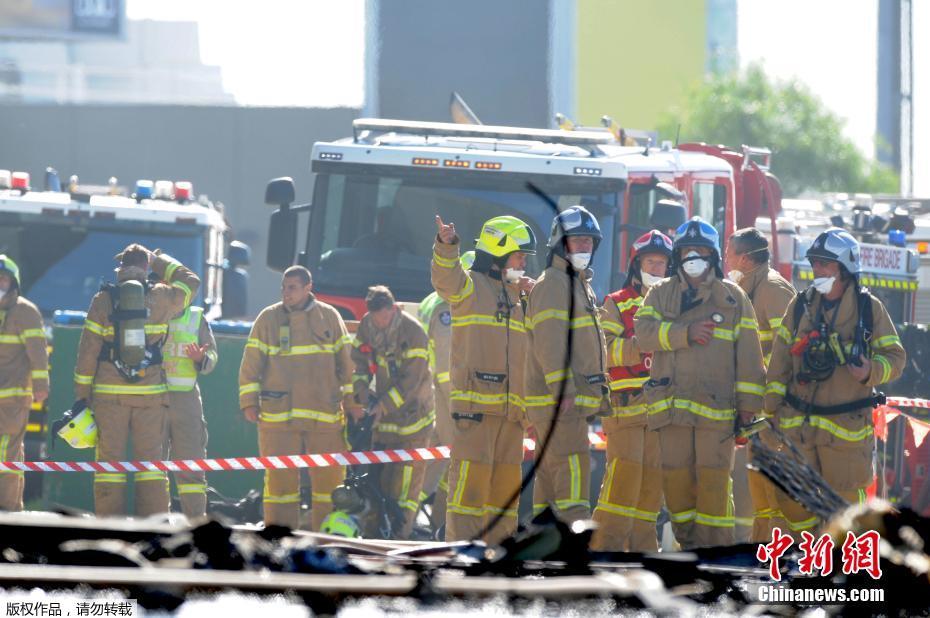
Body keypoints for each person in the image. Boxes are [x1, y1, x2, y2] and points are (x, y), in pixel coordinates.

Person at [634, 217, 765, 549]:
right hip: (671, 415)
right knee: (677, 491)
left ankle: (715, 557)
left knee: (713, 491)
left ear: (713, 256)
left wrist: (748, 410)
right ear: (678, 255)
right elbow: (643, 335)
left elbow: (750, 359)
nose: (693, 257)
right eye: (687, 251)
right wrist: (684, 334)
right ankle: (690, 548)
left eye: (700, 251)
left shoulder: (733, 298)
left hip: (715, 416)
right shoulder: (660, 294)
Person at [765, 228, 905, 536]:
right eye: (814, 263)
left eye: (825, 264)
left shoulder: (869, 310)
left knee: (845, 508)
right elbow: (779, 364)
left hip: (846, 431)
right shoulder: (800, 306)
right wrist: (771, 411)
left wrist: (870, 370)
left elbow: (896, 358)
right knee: (789, 496)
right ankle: (812, 545)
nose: (817, 270)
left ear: (844, 268)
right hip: (799, 424)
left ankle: (840, 558)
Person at [431, 214, 536, 543]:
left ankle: (499, 558)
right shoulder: (470, 286)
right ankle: (463, 557)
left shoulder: (520, 297)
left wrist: (536, 296)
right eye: (518, 257)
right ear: (498, 253)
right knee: (469, 497)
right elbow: (446, 280)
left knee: (504, 502)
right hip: (475, 413)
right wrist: (447, 247)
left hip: (512, 418)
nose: (523, 264)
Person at [74, 244, 200, 516]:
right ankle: (153, 526)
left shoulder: (102, 300)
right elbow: (191, 281)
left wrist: (82, 396)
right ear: (145, 268)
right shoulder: (163, 297)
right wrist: (159, 261)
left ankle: (109, 527)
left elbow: (87, 353)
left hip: (109, 397)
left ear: (120, 269)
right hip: (150, 397)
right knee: (151, 467)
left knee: (110, 467)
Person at [238, 265, 352, 530]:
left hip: (324, 416)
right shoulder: (268, 318)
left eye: (292, 287)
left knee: (330, 483)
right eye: (283, 287)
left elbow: (347, 365)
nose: (286, 293)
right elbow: (250, 365)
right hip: (278, 417)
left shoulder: (329, 317)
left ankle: (328, 538)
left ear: (308, 288)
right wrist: (249, 402)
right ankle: (278, 538)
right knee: (280, 485)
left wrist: (352, 404)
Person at [524, 205, 609, 525]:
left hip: (562, 403)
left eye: (589, 242)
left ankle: (544, 543)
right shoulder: (554, 284)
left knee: (550, 479)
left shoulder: (574, 284)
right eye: (577, 241)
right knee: (572, 473)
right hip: (560, 403)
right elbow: (550, 342)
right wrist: (565, 390)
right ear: (561, 244)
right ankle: (573, 538)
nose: (585, 247)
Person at [592, 230, 673, 551]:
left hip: (660, 413)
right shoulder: (617, 302)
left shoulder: (674, 306)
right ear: (637, 265)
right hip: (626, 409)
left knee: (651, 490)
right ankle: (603, 549)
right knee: (622, 484)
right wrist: (641, 344)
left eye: (661, 263)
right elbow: (604, 350)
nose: (656, 269)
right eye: (650, 262)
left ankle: (643, 552)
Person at [724, 228, 796, 542]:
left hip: (776, 409)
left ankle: (783, 555)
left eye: (729, 252)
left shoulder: (773, 289)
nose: (726, 258)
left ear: (745, 258)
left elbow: (791, 352)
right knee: (760, 492)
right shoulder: (748, 288)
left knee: (775, 491)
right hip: (759, 410)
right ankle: (763, 551)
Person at [350, 285, 434, 538]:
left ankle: (398, 541)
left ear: (394, 309)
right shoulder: (367, 326)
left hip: (413, 424)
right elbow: (358, 363)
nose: (381, 324)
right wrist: (362, 395)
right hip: (383, 426)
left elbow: (411, 381)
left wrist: (383, 405)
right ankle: (372, 539)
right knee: (377, 486)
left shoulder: (413, 332)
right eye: (376, 319)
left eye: (385, 318)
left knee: (404, 491)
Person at [417, 251, 475, 536]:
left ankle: (424, 522)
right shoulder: (447, 308)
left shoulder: (435, 300)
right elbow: (445, 364)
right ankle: (435, 524)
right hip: (448, 398)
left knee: (438, 464)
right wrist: (462, 402)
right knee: (455, 462)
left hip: (433, 396)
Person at [0, 255, 48, 510]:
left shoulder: (25, 312)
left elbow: (38, 355)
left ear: (14, 283)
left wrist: (41, 387)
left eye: (3, 279)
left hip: (12, 400)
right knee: (12, 453)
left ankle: (7, 510)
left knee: (6, 453)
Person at [163, 304, 218, 519]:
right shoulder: (151, 311)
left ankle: (195, 523)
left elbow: (212, 354)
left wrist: (200, 359)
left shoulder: (197, 317)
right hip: (154, 398)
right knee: (153, 469)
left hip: (186, 400)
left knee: (191, 466)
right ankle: (157, 524)